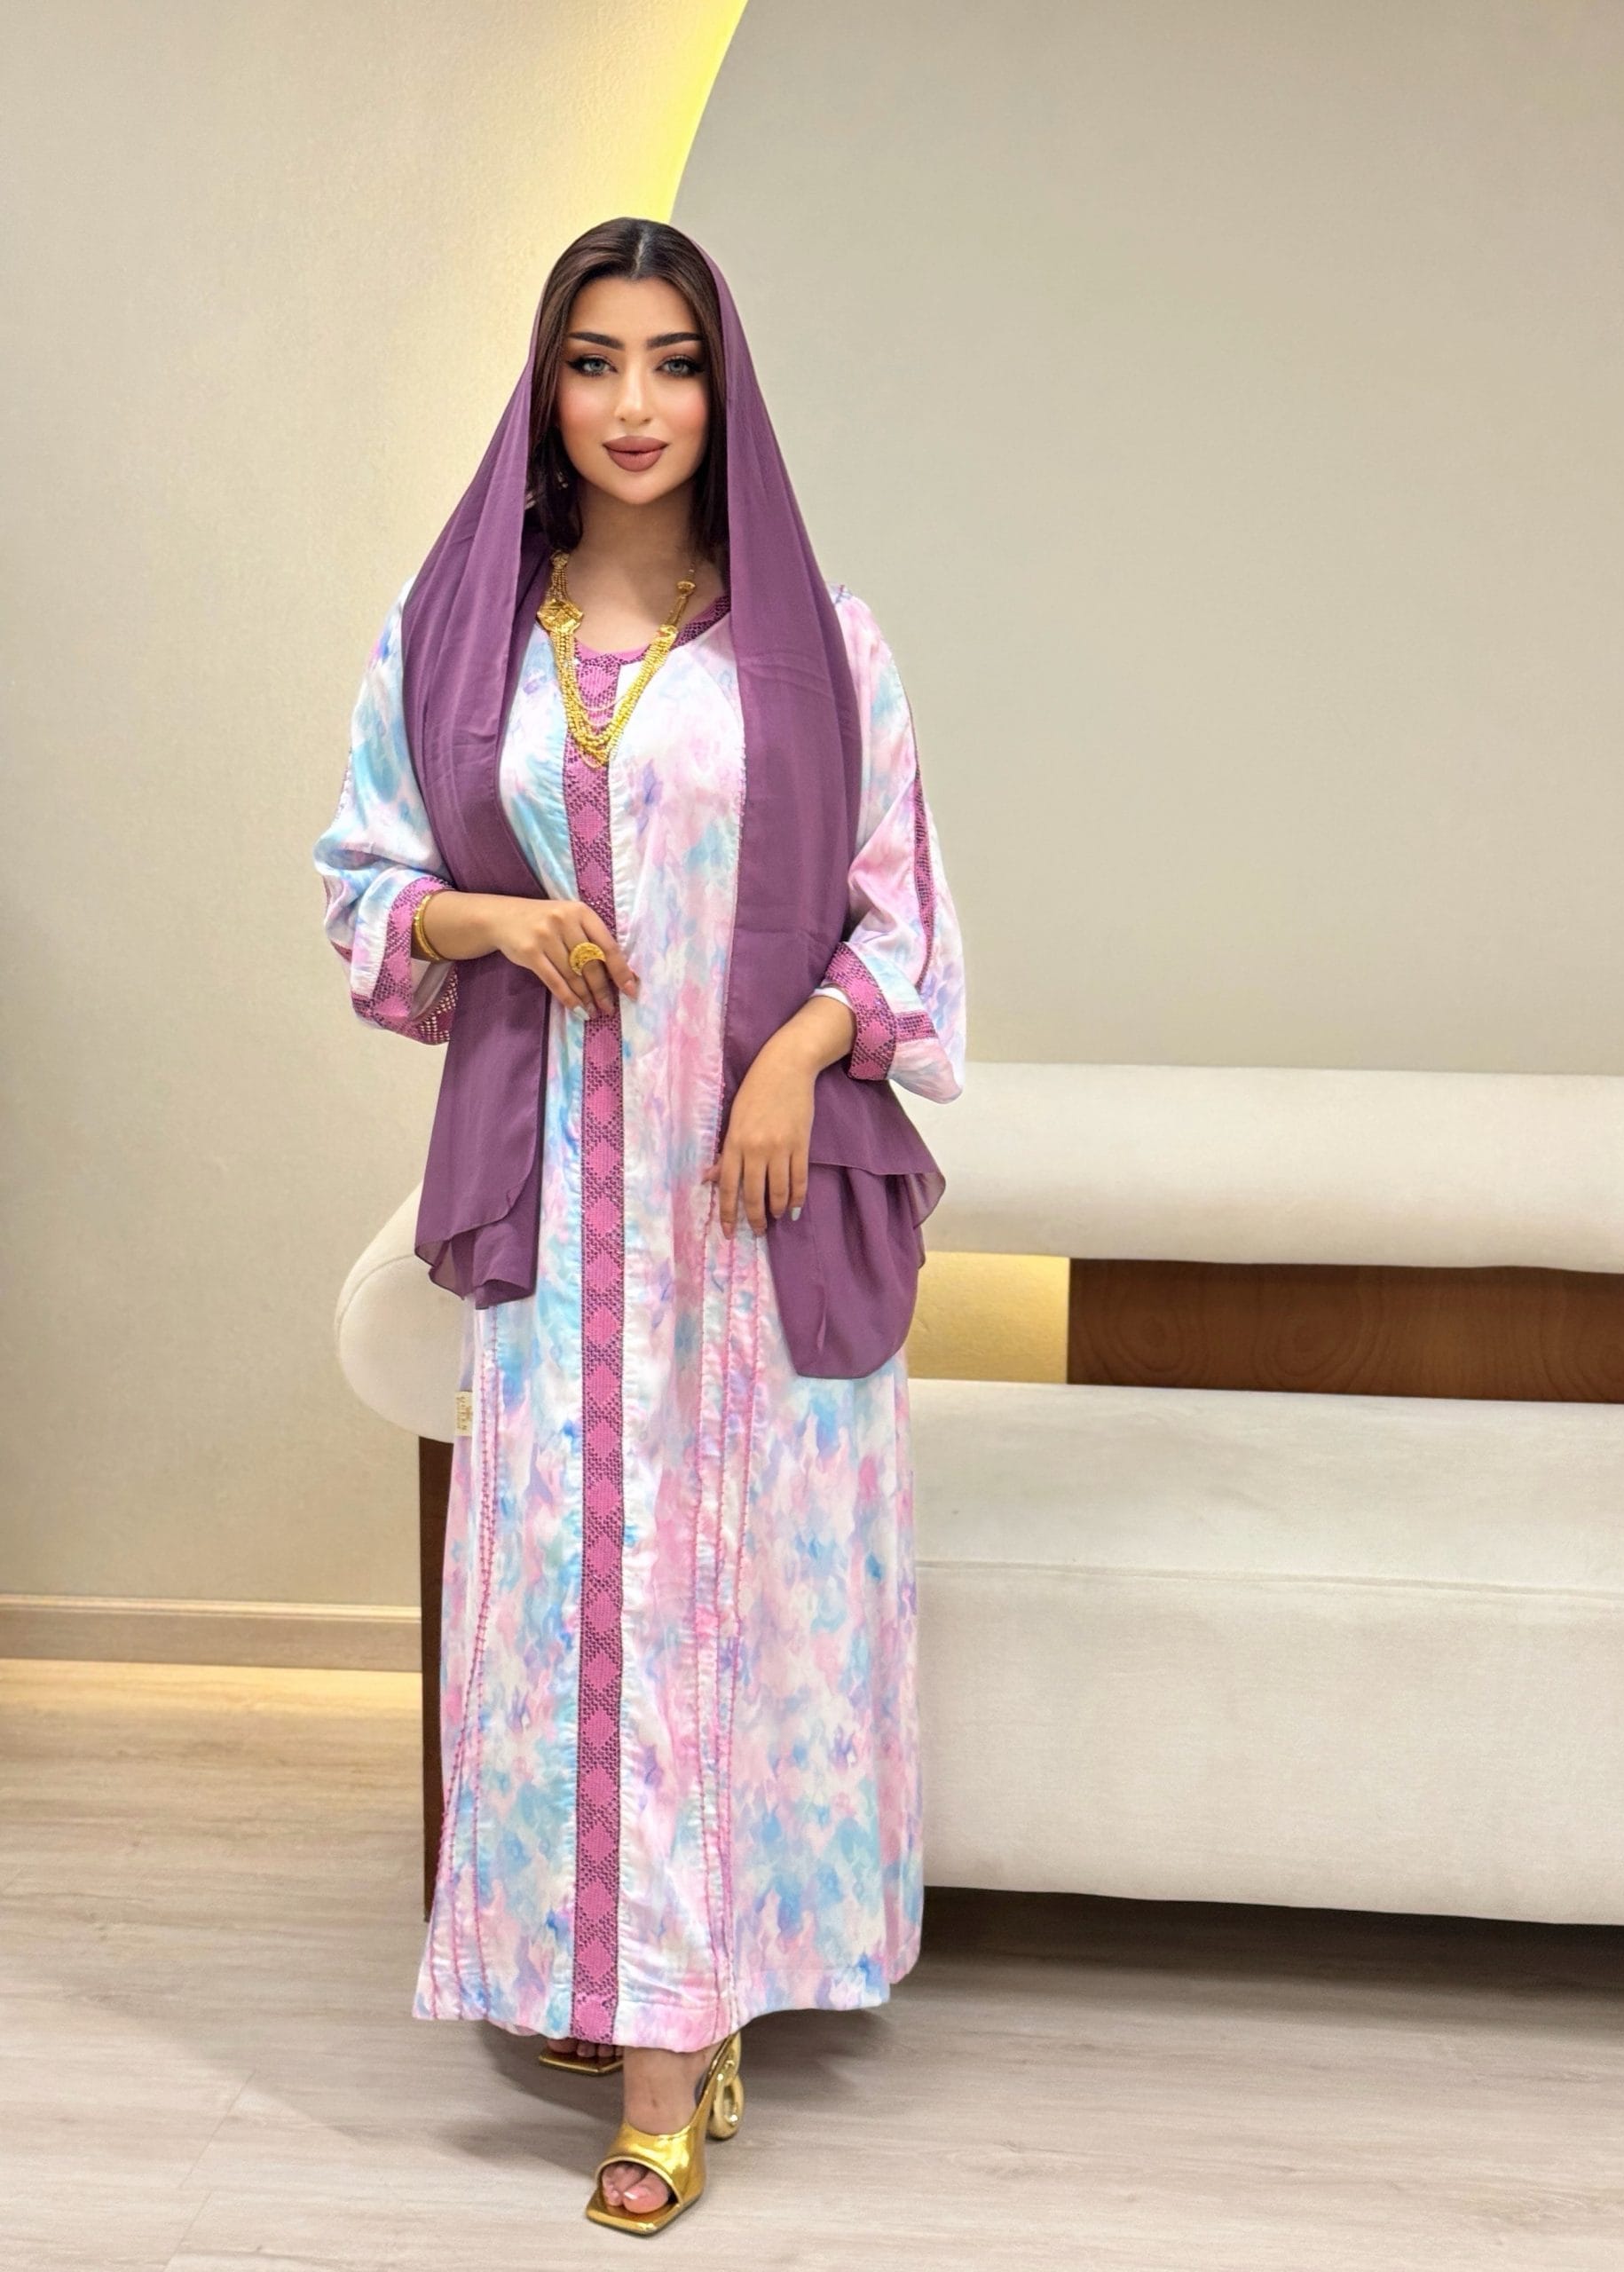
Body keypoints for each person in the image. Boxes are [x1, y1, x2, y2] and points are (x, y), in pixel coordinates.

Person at [311, 216, 967, 2234]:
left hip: (750, 1225)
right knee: (577, 1605)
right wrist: (494, 916)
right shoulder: (455, 641)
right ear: (547, 389)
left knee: (735, 1608)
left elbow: (906, 931)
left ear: (720, 386)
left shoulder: (821, 648)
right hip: (559, 1222)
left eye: (672, 361)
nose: (633, 403)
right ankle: (647, 2009)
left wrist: (797, 1058)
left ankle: (682, 2037)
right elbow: (362, 887)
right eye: (593, 361)